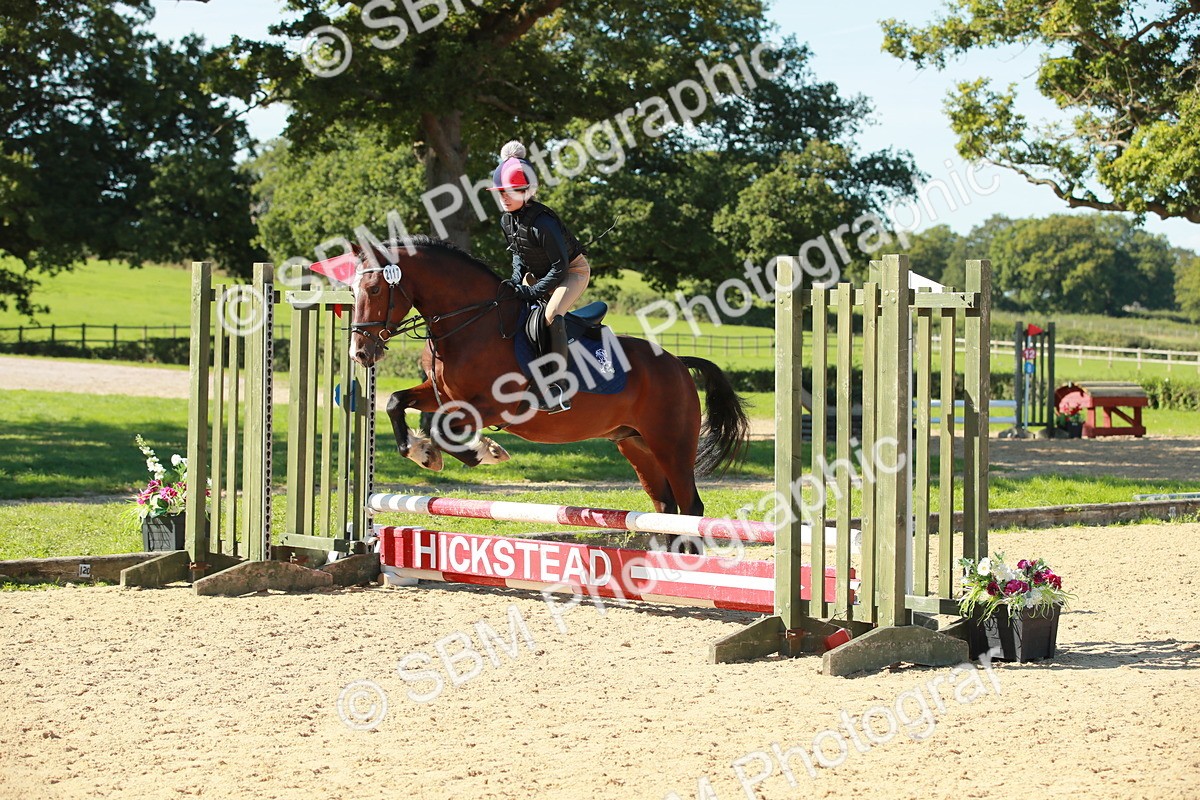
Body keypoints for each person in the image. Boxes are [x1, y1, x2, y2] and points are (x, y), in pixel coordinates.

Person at [487, 140, 591, 413]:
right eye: (501, 192)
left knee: (550, 315)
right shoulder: (506, 220)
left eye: (510, 191)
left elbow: (559, 268)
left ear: (527, 191)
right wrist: (515, 281)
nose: (504, 197)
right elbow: (518, 254)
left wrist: (531, 292)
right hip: (539, 273)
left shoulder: (543, 223)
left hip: (571, 272)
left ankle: (558, 387)